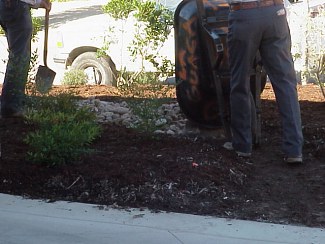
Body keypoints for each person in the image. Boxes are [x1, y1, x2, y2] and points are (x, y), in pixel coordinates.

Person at [224, 0, 304, 164]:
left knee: (240, 81)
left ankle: (242, 146)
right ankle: (294, 149)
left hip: (243, 15)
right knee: (286, 84)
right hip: (275, 13)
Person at [0, 0, 51, 118]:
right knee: (20, 57)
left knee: (16, 55)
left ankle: (11, 102)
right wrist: (38, 2)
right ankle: (11, 106)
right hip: (16, 5)